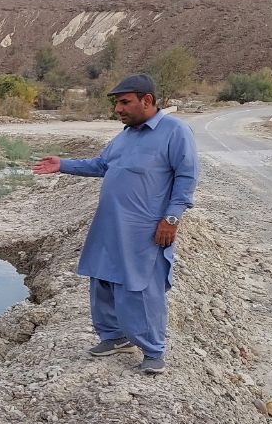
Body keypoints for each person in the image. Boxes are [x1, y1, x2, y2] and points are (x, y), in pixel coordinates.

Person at [31, 73, 198, 374]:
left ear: (147, 100)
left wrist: (171, 218)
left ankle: (153, 350)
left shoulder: (175, 132)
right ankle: (115, 337)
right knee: (102, 280)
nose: (118, 109)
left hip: (144, 230)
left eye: (124, 102)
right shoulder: (125, 136)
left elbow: (186, 178)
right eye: (117, 104)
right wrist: (62, 165)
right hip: (109, 225)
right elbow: (100, 165)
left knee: (141, 289)